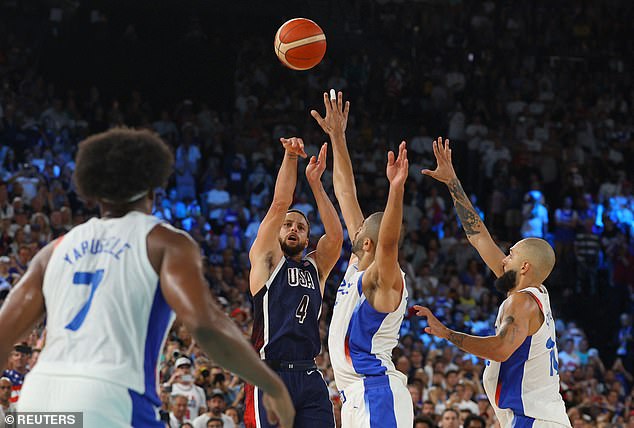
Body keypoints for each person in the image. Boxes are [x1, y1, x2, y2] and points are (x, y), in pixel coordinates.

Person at [0, 128, 294, 427]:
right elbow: (206, 327)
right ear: (154, 187)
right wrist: (271, 385)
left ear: (92, 191)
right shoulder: (164, 242)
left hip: (37, 399)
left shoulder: (53, 251)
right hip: (111, 396)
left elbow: (3, 333)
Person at [414, 137, 571, 427]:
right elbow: (478, 237)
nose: (503, 258)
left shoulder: (521, 302)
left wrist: (447, 333)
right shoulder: (535, 292)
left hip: (533, 419)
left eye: (510, 254)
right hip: (540, 417)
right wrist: (452, 182)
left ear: (524, 267)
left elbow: (501, 348)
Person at [311, 90, 414, 427]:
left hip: (377, 393)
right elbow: (345, 190)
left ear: (367, 241)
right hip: (357, 396)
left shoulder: (383, 277)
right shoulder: (360, 262)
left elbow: (388, 243)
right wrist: (337, 137)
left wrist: (396, 189)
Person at [244, 137, 342, 427]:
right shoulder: (266, 260)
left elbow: (336, 238)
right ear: (277, 233)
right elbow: (279, 204)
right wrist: (290, 157)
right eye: (288, 225)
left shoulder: (316, 268)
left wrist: (316, 183)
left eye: (300, 227)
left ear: (307, 239)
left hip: (309, 375)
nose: (293, 229)